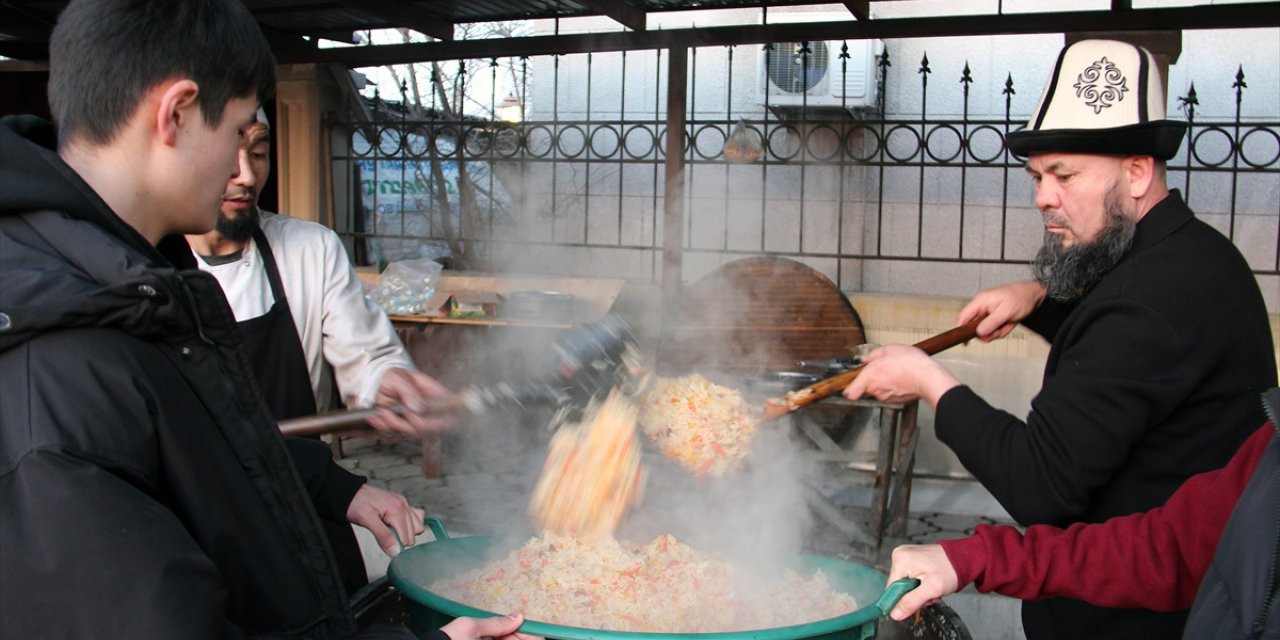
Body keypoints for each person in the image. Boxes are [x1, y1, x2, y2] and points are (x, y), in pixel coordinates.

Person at [0, 1, 525, 638]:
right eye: (236, 132)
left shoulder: (132, 288)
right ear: (177, 112)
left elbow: (204, 452)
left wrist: (334, 489)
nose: (239, 170)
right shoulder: (60, 352)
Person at [843, 39, 1276, 639]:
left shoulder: (1151, 300)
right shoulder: (1196, 258)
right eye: (1038, 175)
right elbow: (1126, 354)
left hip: (1135, 621)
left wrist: (928, 381)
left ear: (1137, 171)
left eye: (1064, 174)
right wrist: (1038, 299)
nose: (1043, 196)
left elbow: (1040, 484)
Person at [185, 114, 443, 595]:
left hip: (302, 504)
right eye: (228, 152)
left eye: (259, 152)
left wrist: (386, 380)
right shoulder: (145, 265)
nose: (245, 174)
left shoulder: (309, 249)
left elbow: (366, 352)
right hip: (201, 522)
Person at [884, 387, 1279, 640]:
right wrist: (980, 556)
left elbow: (1039, 481)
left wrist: (929, 382)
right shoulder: (1271, 448)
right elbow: (1171, 548)